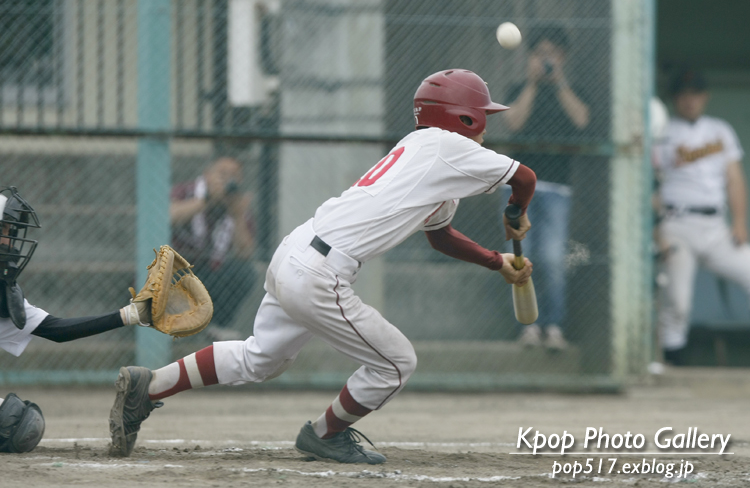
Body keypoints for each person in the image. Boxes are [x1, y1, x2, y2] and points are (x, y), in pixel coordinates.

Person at [108, 69, 537, 464]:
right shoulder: (449, 148)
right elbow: (525, 179)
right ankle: (326, 434)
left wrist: (497, 261)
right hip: (321, 273)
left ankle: (150, 386)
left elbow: (440, 235)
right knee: (395, 363)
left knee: (261, 358)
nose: (485, 125)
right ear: (463, 119)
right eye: (482, 116)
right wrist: (516, 211)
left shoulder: (422, 153)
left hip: (295, 253)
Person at [0, 186, 151, 453]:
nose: (10, 242)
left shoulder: (3, 294)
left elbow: (57, 330)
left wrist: (130, 315)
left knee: (18, 423)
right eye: (5, 232)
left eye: (11, 233)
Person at [501, 25, 590, 350]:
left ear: (563, 58)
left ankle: (553, 326)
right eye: (540, 54)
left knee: (552, 258)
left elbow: (581, 119)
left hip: (557, 188)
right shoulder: (518, 88)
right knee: (518, 258)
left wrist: (559, 83)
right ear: (530, 58)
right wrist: (533, 83)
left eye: (553, 54)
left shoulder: (572, 89)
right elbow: (514, 122)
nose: (547, 60)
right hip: (520, 187)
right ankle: (528, 328)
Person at [653, 68, 750, 365]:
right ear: (674, 99)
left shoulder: (719, 129)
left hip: (716, 227)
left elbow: (734, 178)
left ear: (705, 97)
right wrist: (660, 235)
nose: (690, 100)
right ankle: (673, 363)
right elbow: (651, 186)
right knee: (678, 302)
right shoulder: (662, 131)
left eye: (695, 93)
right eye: (683, 94)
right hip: (677, 225)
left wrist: (739, 223)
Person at [170, 156, 256, 341]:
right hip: (177, 267)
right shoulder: (187, 191)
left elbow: (245, 252)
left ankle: (218, 326)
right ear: (207, 175)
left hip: (212, 270)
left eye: (234, 176)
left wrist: (238, 216)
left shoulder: (237, 204)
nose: (228, 180)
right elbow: (169, 216)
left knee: (245, 272)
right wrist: (206, 200)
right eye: (222, 174)